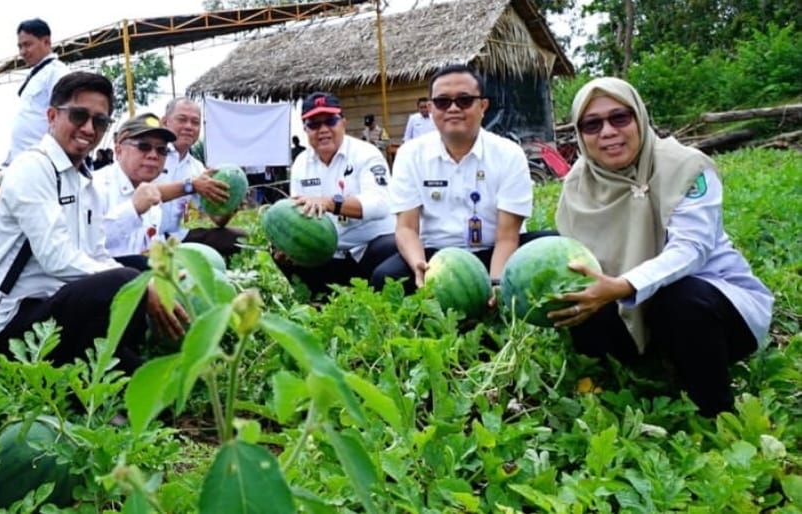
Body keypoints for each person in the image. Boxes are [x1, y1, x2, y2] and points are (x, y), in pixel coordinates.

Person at [551, 77, 773, 417]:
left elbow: (692, 248)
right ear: (580, 134)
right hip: (635, 308)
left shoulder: (686, 167)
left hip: (717, 309)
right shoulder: (578, 184)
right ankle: (616, 386)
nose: (607, 132)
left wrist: (623, 285)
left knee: (681, 298)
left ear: (640, 117)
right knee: (580, 296)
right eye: (592, 124)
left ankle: (715, 411)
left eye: (619, 117)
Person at [0, 72, 186, 373]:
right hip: (18, 324)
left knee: (140, 268)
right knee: (126, 278)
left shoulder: (83, 180)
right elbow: (56, 258)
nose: (89, 129)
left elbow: (97, 254)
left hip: (61, 308)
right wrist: (137, 285)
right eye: (79, 116)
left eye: (100, 121)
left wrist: (147, 279)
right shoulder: (33, 168)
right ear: (52, 116)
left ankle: (109, 356)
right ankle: (96, 363)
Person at [370, 64, 548, 293]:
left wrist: (496, 285)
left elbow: (507, 236)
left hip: (495, 250)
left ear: (483, 106)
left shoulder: (509, 154)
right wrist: (420, 267)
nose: (453, 108)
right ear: (430, 108)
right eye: (443, 102)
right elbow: (407, 228)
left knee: (552, 243)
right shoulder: (410, 154)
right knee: (385, 277)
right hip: (436, 256)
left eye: (464, 100)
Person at [283, 92, 399, 297]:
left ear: (343, 123)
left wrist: (331, 203)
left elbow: (381, 204)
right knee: (282, 253)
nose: (323, 129)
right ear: (305, 129)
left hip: (369, 248)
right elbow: (298, 213)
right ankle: (317, 299)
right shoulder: (301, 163)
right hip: (328, 252)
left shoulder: (366, 153)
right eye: (314, 124)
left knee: (393, 248)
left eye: (330, 121)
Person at [153, 97, 239, 258]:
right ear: (165, 122)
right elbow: (146, 193)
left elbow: (217, 219)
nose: (189, 126)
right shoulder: (151, 154)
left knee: (238, 238)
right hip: (143, 236)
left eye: (195, 122)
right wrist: (191, 185)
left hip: (176, 237)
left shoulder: (197, 168)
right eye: (182, 119)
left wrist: (231, 204)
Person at [99, 113, 176, 257]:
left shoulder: (153, 194)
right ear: (119, 151)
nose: (153, 155)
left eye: (161, 150)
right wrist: (133, 209)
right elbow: (87, 245)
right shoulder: (95, 188)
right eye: (144, 146)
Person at [5, 18, 70, 166]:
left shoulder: (57, 72)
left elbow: (64, 117)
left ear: (46, 42)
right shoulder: (36, 75)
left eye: (28, 45)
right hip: (23, 159)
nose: (23, 52)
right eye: (20, 46)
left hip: (42, 161)